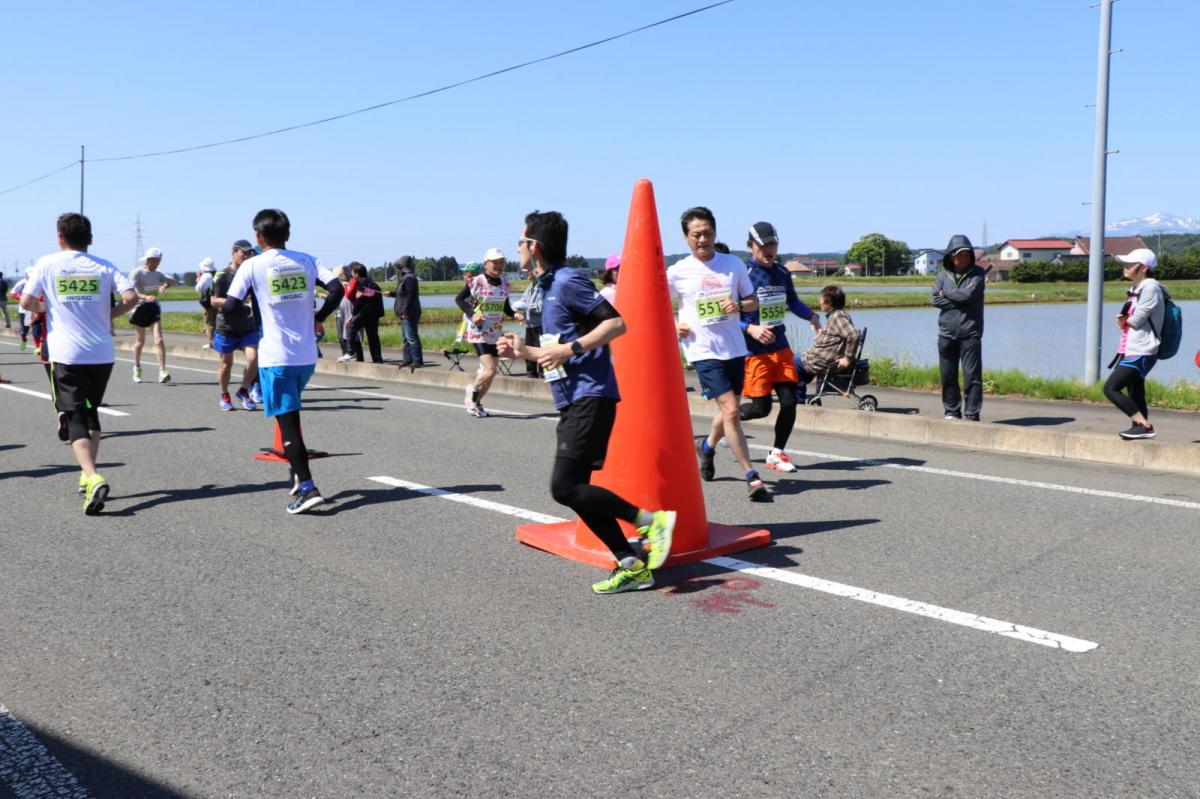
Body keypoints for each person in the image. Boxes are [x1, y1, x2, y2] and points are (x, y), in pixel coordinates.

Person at [498, 210, 675, 594]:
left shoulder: (568, 280)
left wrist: (570, 347)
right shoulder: (544, 286)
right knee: (577, 489)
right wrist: (521, 351)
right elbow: (552, 350)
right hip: (571, 395)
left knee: (564, 487)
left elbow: (615, 323)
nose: (517, 249)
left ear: (535, 246)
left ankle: (649, 520)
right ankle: (630, 563)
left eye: (520, 241)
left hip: (590, 394)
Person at [223, 208, 343, 513]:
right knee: (290, 417)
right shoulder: (308, 260)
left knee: (287, 423)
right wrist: (319, 316)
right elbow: (337, 289)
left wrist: (254, 320)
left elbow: (230, 306)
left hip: (275, 356)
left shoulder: (252, 265)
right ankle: (295, 474)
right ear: (287, 234)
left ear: (258, 237)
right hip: (306, 357)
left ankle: (307, 486)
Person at [20, 212, 137, 513]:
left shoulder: (47, 263)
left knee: (74, 416)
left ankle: (92, 475)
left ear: (60, 237)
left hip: (67, 354)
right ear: (90, 239)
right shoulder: (105, 266)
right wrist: (107, 316)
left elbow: (25, 302)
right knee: (91, 412)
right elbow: (131, 297)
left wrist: (47, 308)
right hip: (101, 354)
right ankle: (88, 479)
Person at [667, 207, 767, 500]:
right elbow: (656, 303)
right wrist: (674, 325)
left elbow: (752, 301)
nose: (703, 239)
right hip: (702, 349)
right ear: (686, 238)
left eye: (707, 233)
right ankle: (752, 476)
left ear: (715, 233)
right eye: (696, 234)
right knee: (732, 411)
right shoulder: (677, 271)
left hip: (734, 347)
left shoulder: (733, 264)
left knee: (729, 408)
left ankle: (707, 448)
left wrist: (739, 306)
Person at [737, 222, 821, 473]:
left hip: (781, 347)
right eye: (763, 246)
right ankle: (727, 421)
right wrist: (750, 328)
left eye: (772, 244)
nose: (768, 250)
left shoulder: (782, 273)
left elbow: (793, 302)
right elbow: (728, 313)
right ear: (751, 247)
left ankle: (776, 453)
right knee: (760, 409)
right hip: (755, 351)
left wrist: (813, 317)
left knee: (790, 400)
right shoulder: (743, 275)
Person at [1104, 248, 1165, 440]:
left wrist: (1124, 320)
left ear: (1144, 267)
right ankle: (1139, 428)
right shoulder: (1136, 289)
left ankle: (1143, 425)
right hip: (1132, 347)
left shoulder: (1150, 287)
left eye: (1130, 264)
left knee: (1111, 388)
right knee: (1135, 389)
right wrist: (1124, 320)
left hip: (1144, 349)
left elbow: (1136, 319)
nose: (1125, 267)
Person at [932, 235, 985, 420]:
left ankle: (972, 413)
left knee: (972, 377)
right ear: (951, 256)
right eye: (960, 255)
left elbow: (967, 295)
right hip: (946, 334)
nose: (964, 258)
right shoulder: (941, 275)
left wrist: (946, 293)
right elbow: (935, 299)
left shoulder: (978, 273)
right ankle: (952, 411)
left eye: (967, 255)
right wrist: (958, 299)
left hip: (970, 333)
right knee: (948, 376)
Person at [456, 247, 515, 417]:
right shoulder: (476, 281)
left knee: (491, 374)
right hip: (478, 331)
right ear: (486, 263)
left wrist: (515, 314)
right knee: (489, 369)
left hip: (495, 332)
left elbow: (506, 307)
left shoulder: (505, 284)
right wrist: (472, 314)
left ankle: (475, 402)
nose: (498, 265)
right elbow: (459, 299)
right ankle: (472, 389)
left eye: (501, 262)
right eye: (494, 262)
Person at [209, 239, 260, 411]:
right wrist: (235, 301)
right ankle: (224, 394)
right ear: (234, 252)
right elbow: (214, 301)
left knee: (254, 360)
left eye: (248, 253)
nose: (246, 256)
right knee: (226, 365)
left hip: (247, 325)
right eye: (243, 252)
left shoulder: (251, 274)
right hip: (227, 327)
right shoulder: (223, 275)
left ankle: (244, 390)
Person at [794, 285, 863, 390]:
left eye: (821, 299)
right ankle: (800, 394)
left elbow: (853, 335)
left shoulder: (837, 317)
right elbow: (837, 337)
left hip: (820, 361)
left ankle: (798, 400)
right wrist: (822, 333)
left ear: (828, 302)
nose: (819, 302)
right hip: (818, 359)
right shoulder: (838, 315)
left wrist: (847, 359)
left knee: (788, 363)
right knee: (794, 364)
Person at [128, 246, 178, 383]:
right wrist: (145, 297)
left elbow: (174, 281)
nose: (157, 263)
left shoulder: (159, 273)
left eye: (159, 261)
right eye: (155, 260)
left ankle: (162, 371)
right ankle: (137, 367)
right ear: (149, 260)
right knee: (140, 340)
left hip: (154, 308)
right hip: (139, 309)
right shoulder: (137, 272)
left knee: (158, 339)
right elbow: (130, 290)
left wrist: (165, 285)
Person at [346, 262, 384, 363]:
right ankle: (377, 359)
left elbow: (359, 301)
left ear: (357, 273)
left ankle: (350, 353)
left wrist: (352, 315)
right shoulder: (371, 282)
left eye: (353, 273)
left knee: (351, 328)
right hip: (375, 313)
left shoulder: (361, 283)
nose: (352, 275)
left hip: (366, 312)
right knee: (373, 336)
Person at [389, 256, 423, 368]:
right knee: (406, 338)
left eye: (399, 267)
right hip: (406, 312)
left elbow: (410, 296)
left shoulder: (409, 279)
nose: (398, 269)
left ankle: (417, 361)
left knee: (411, 338)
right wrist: (391, 294)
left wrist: (406, 312)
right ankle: (407, 359)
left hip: (409, 313)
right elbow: (402, 294)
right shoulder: (406, 278)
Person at [515, 257, 544, 378]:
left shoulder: (542, 287)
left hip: (541, 325)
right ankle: (531, 374)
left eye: (529, 271)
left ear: (536, 272)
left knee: (540, 351)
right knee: (528, 351)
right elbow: (522, 301)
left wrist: (527, 306)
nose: (527, 273)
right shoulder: (530, 287)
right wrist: (518, 311)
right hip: (530, 325)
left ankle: (544, 375)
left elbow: (541, 307)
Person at [196, 257, 217, 349]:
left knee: (209, 322)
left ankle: (211, 343)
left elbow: (199, 288)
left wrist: (198, 279)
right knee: (215, 321)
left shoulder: (206, 276)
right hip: (215, 300)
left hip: (208, 302)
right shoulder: (216, 274)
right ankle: (215, 341)